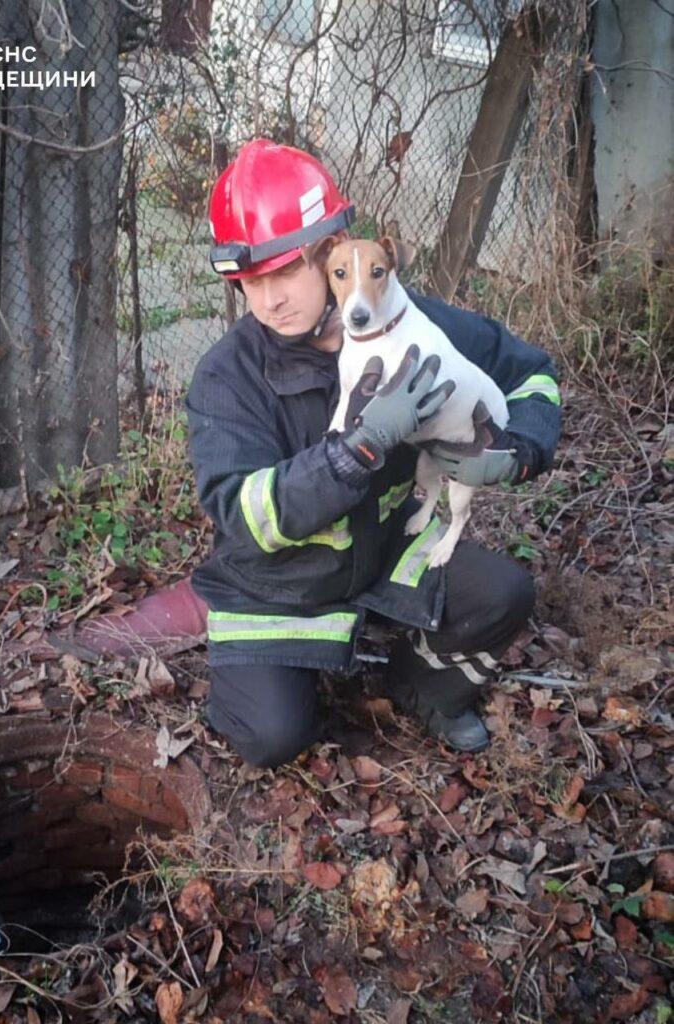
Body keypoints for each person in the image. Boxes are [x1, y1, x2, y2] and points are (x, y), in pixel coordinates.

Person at [185, 138, 561, 767]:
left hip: (381, 546)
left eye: (285, 271)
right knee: (273, 736)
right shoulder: (228, 376)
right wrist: (351, 452)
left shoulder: (413, 323)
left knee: (505, 594)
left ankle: (419, 684)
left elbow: (532, 376)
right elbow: (244, 515)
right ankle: (264, 684)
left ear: (337, 249)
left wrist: (517, 450)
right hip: (279, 587)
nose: (268, 299)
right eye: (249, 279)